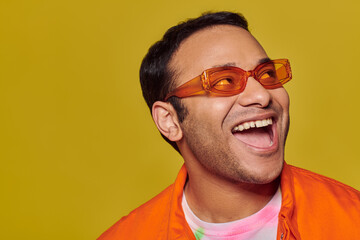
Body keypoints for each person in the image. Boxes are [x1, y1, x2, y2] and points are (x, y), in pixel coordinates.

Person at [98, 11, 360, 240]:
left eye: (267, 74)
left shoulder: (352, 220)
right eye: (223, 81)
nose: (261, 95)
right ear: (170, 121)